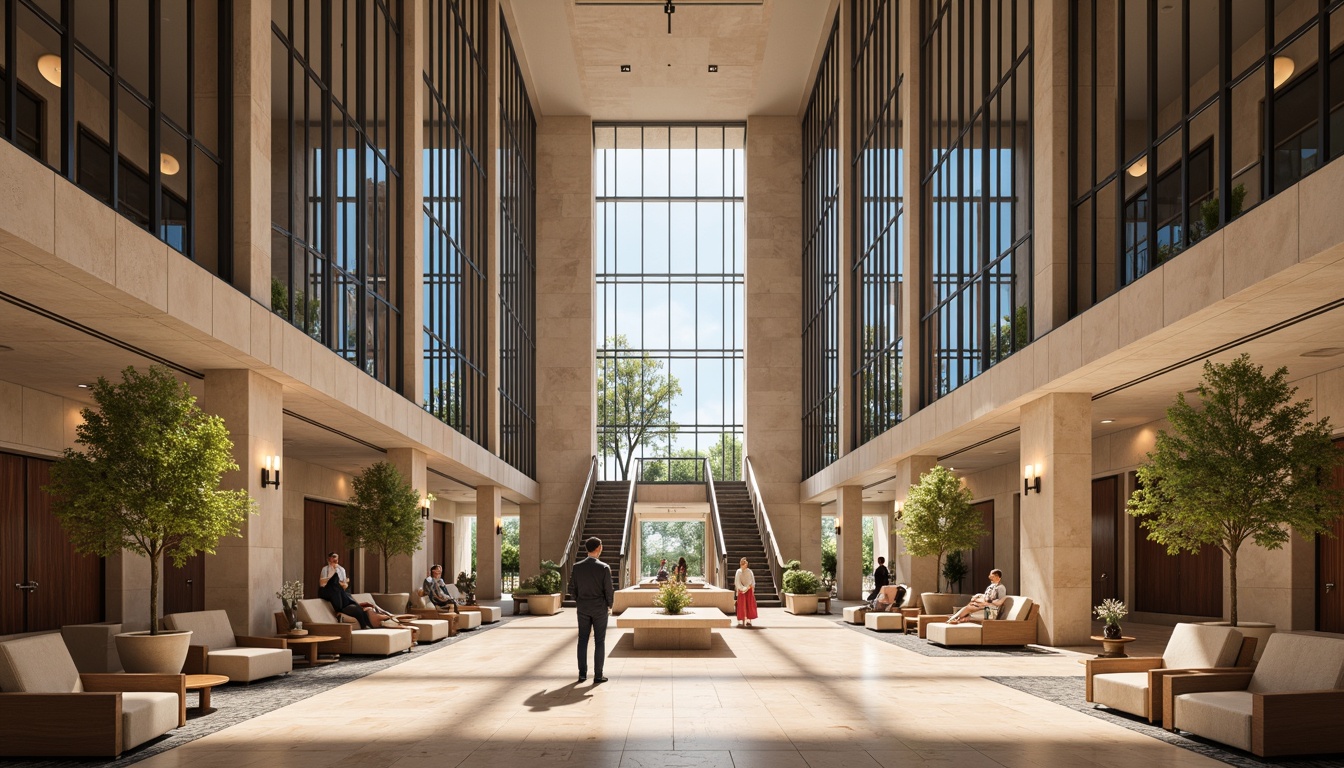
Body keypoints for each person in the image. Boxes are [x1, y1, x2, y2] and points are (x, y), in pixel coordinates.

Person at [570, 536, 614, 684]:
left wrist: (580, 601)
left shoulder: (577, 567)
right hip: (599, 608)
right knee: (599, 641)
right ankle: (598, 675)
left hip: (583, 607)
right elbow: (609, 590)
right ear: (598, 548)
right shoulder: (604, 567)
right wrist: (609, 605)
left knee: (582, 639)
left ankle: (582, 674)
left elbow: (572, 589)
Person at [318, 552, 374, 629]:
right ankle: (341, 608)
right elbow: (322, 583)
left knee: (356, 607)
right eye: (333, 558)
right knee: (334, 584)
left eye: (336, 559)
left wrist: (341, 583)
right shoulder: (325, 569)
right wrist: (331, 578)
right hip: (328, 591)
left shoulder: (341, 569)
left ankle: (365, 624)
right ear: (329, 559)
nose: (335, 560)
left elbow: (345, 585)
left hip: (339, 590)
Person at [734, 557, 758, 627]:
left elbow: (752, 580)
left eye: (746, 564)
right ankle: (741, 619)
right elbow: (737, 581)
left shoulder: (749, 571)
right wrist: (741, 588)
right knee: (741, 605)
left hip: (749, 589)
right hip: (741, 590)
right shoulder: (738, 571)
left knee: (749, 604)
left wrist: (750, 587)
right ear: (741, 564)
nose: (745, 565)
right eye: (744, 564)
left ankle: (748, 619)